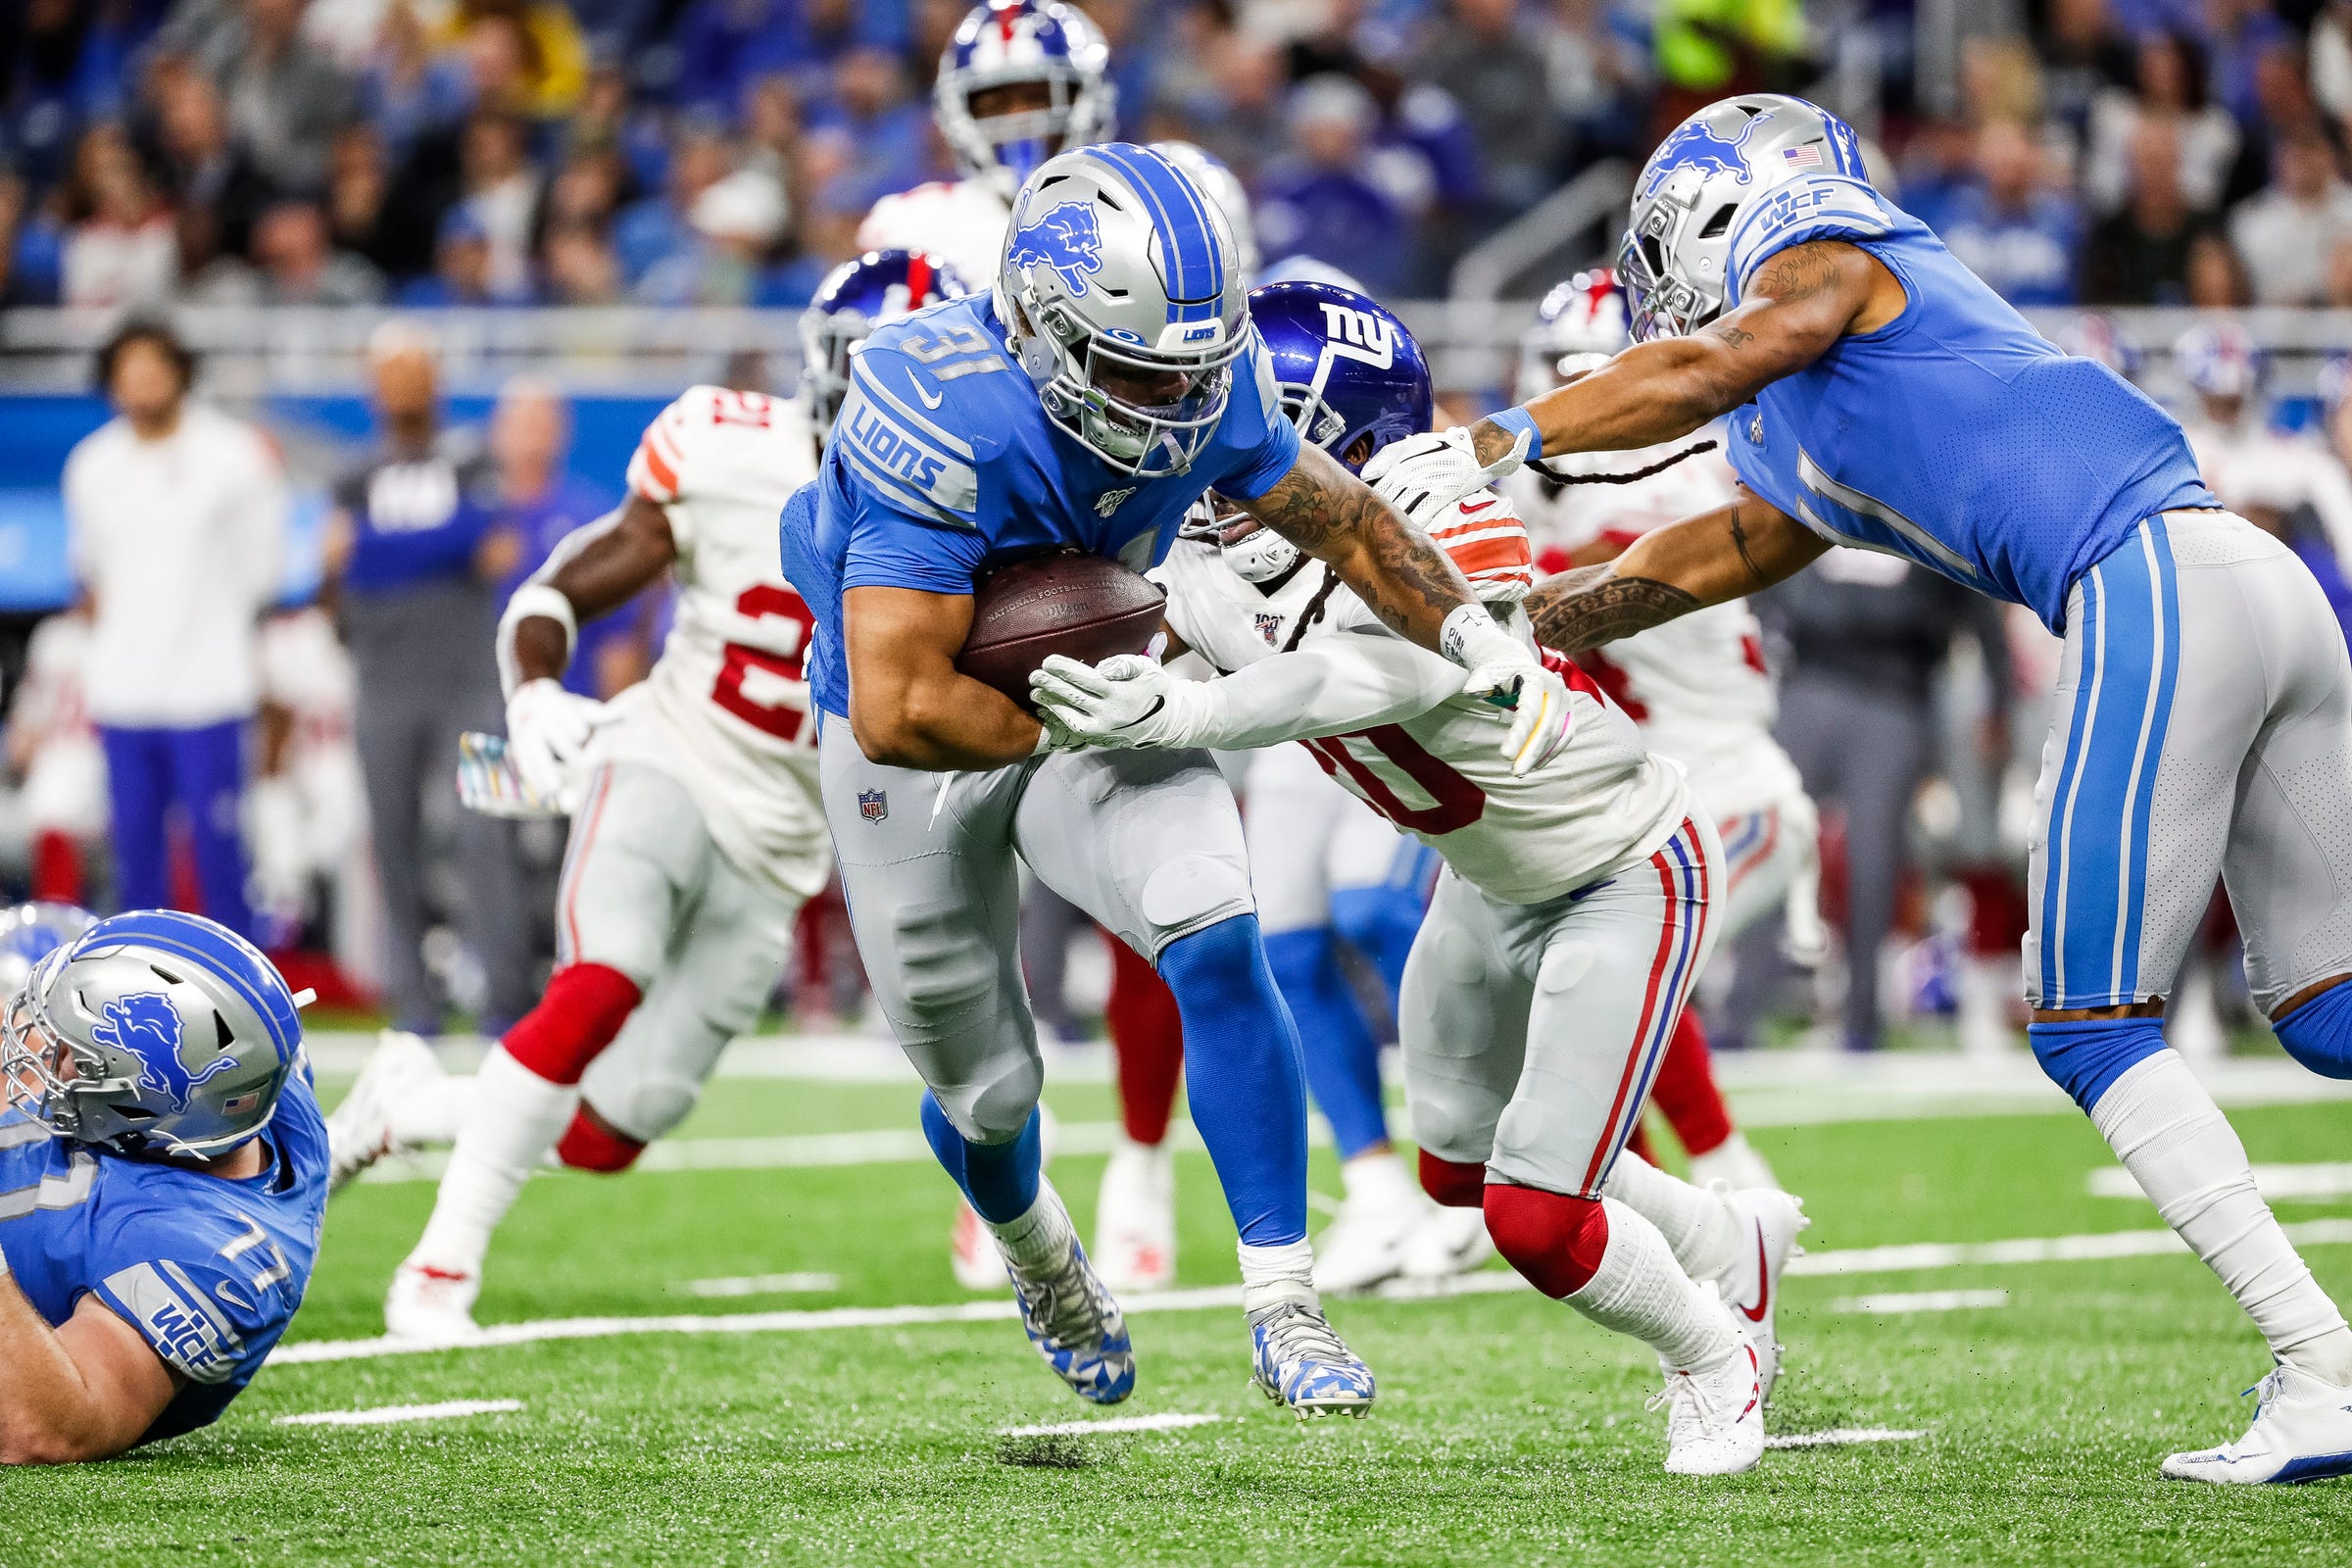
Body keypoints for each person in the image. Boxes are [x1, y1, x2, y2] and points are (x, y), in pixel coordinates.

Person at [1371, 92, 2352, 1484]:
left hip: (2151, 583)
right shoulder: (1805, 407)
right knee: (2327, 1013)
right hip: (2251, 585)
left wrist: (1499, 438)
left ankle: (2322, 1369)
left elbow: (1727, 355)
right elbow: (1728, 547)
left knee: (2088, 1025)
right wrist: (1527, 621)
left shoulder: (1824, 251)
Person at [779, 143, 1569, 1414]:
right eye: (1142, 373)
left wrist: (1473, 633)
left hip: (1100, 685)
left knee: (1215, 924)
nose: (1176, 405)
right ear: (1041, 328)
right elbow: (901, 703)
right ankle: (1041, 1253)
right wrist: (1072, 719)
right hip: (910, 740)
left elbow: (1348, 520)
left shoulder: (1208, 371)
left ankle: (1285, 1306)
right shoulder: (931, 407)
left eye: (1195, 371)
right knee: (988, 1092)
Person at [1027, 293, 1802, 1471]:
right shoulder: (1215, 543)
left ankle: (1713, 1354)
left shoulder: (1441, 521)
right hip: (1485, 884)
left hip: (1626, 869)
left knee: (1536, 1216)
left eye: (1270, 427)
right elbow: (1146, 613)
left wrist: (1187, 708)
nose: (1234, 457)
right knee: (1454, 1169)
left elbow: (1356, 680)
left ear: (1347, 440)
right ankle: (1725, 1237)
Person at [345, 253, 964, 1337]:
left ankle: (408, 1108)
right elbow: (558, 589)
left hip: (781, 843)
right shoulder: (727, 452)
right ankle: (440, 1268)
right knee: (601, 983)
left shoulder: (985, 512)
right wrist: (536, 692)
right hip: (672, 756)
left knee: (609, 1133)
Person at [1202, 281, 1488, 1294]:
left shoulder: (1431, 501)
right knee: (1279, 941)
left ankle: (1478, 1152)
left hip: (1403, 717)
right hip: (1299, 719)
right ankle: (1374, 1183)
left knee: (1374, 909)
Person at [1506, 268, 1810, 1176]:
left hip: (1730, 792)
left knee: (1611, 970)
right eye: (1563, 374)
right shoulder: (1558, 491)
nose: (1575, 400)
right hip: (1647, 803)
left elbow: (1584, 569)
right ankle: (1624, 1202)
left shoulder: (1664, 481)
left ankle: (1731, 1188)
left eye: (1593, 378)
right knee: (1567, 993)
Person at [0, 908, 323, 1461]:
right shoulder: (238, 1081)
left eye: (75, 1054)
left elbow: (42, 1430)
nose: (45, 1054)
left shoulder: (209, 1261)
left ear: (142, 1102)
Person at [327, 321, 533, 1039]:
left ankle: (507, 994)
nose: (406, 388)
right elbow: (344, 568)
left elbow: (494, 547)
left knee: (489, 830)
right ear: (373, 388)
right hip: (383, 684)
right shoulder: (354, 472)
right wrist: (442, 546)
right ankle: (414, 999)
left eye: (417, 372)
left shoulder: (473, 457)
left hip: (473, 682)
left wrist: (378, 551)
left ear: (436, 380)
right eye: (393, 374)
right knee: (392, 838)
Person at [64, 318, 286, 939]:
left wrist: (213, 623)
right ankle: (139, 984)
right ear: (110, 382)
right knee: (135, 860)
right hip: (125, 692)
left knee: (222, 857)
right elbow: (90, 572)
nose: (141, 382)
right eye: (127, 371)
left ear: (182, 373)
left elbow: (264, 568)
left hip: (208, 688)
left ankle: (238, 986)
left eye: (153, 368)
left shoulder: (234, 455)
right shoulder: (91, 465)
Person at [856, 1, 1114, 286]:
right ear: (958, 114)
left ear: (1089, 98)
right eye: (995, 104)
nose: (1019, 119)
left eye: (1038, 98)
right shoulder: (914, 225)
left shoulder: (1133, 211)